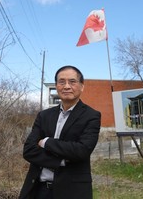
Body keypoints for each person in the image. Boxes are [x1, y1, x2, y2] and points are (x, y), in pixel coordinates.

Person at [19, 65, 101, 199]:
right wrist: (62, 159)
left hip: (72, 191)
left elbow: (82, 150)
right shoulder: (44, 116)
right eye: (61, 82)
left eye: (72, 82)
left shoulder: (91, 116)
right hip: (38, 189)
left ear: (81, 86)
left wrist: (46, 142)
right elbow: (28, 150)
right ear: (56, 86)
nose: (66, 86)